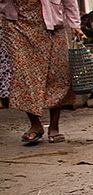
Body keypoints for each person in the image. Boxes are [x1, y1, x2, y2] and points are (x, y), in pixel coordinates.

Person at [1, 0, 84, 145]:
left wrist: (75, 24)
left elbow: (69, 1)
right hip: (17, 26)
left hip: (52, 26)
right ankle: (35, 124)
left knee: (57, 73)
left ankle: (54, 126)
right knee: (24, 73)